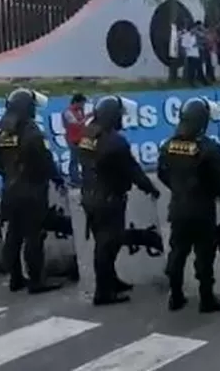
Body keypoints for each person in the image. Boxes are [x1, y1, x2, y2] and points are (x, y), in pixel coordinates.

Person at [78, 95, 160, 306]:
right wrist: (150, 188)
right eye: (119, 116)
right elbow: (132, 170)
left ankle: (111, 281)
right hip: (108, 199)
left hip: (90, 196)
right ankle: (103, 292)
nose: (121, 120)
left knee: (104, 243)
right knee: (108, 245)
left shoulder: (88, 134)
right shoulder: (115, 142)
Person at [157, 97, 220, 313]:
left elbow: (162, 174)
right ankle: (206, 298)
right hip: (202, 209)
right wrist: (213, 192)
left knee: (178, 251)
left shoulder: (168, 146)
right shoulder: (209, 148)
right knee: (204, 254)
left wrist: (178, 188)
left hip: (178, 207)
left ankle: (176, 295)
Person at [0, 88, 65, 294]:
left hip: (9, 190)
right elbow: (45, 162)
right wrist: (56, 179)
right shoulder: (33, 133)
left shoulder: (2, 134)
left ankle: (15, 278)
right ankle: (36, 280)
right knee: (34, 236)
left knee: (14, 236)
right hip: (31, 192)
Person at [62, 93, 88, 187]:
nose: (83, 106)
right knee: (74, 159)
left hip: (82, 138)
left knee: (85, 158)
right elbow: (75, 125)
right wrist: (87, 118)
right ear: (76, 102)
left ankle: (85, 178)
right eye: (82, 103)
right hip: (72, 139)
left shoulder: (80, 111)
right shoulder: (68, 112)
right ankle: (74, 179)